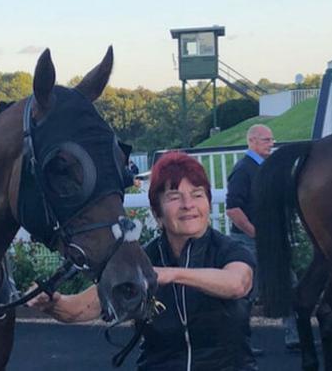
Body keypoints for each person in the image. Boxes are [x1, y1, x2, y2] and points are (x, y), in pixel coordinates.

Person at [29, 152, 257, 370]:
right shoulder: (139, 259)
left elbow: (237, 284)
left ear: (208, 203)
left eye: (197, 195)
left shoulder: (230, 250)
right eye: (174, 197)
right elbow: (81, 309)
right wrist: (53, 303)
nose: (188, 204)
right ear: (157, 213)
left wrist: (171, 274)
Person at [226, 124, 298, 351]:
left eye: (271, 139)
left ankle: (295, 336)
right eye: (266, 140)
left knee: (288, 283)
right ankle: (238, 342)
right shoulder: (243, 170)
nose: (271, 143)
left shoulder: (264, 168)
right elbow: (233, 209)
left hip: (267, 240)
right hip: (249, 241)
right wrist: (256, 234)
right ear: (252, 142)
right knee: (247, 291)